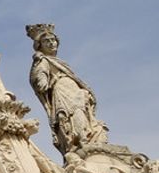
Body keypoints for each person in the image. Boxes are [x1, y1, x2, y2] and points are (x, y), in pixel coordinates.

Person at [27, 24, 107, 156]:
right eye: (47, 41)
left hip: (74, 90)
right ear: (39, 45)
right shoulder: (43, 61)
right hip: (62, 91)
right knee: (71, 114)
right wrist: (41, 81)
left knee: (82, 112)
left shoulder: (57, 61)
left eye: (53, 40)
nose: (51, 43)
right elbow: (39, 77)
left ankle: (89, 138)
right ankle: (80, 140)